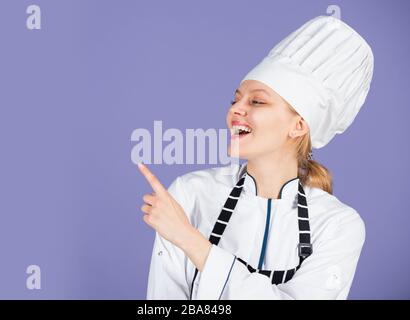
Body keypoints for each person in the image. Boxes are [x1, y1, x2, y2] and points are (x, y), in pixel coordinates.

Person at [138, 14, 374, 300]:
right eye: (235, 99)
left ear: (298, 125)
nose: (235, 109)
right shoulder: (190, 195)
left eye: (257, 101)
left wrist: (190, 240)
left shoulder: (338, 224)